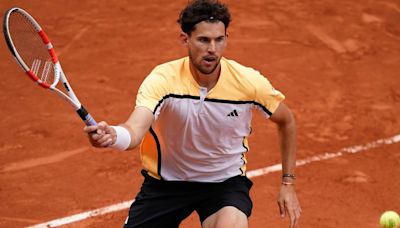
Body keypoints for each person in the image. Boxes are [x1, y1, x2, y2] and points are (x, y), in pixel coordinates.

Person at [84, 0, 301, 227]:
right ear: (185, 39)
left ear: (227, 38)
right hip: (167, 183)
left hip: (223, 184)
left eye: (219, 39)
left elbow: (286, 121)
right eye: (203, 40)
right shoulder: (164, 80)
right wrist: (113, 136)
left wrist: (288, 183)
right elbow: (135, 129)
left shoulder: (248, 83)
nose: (212, 49)